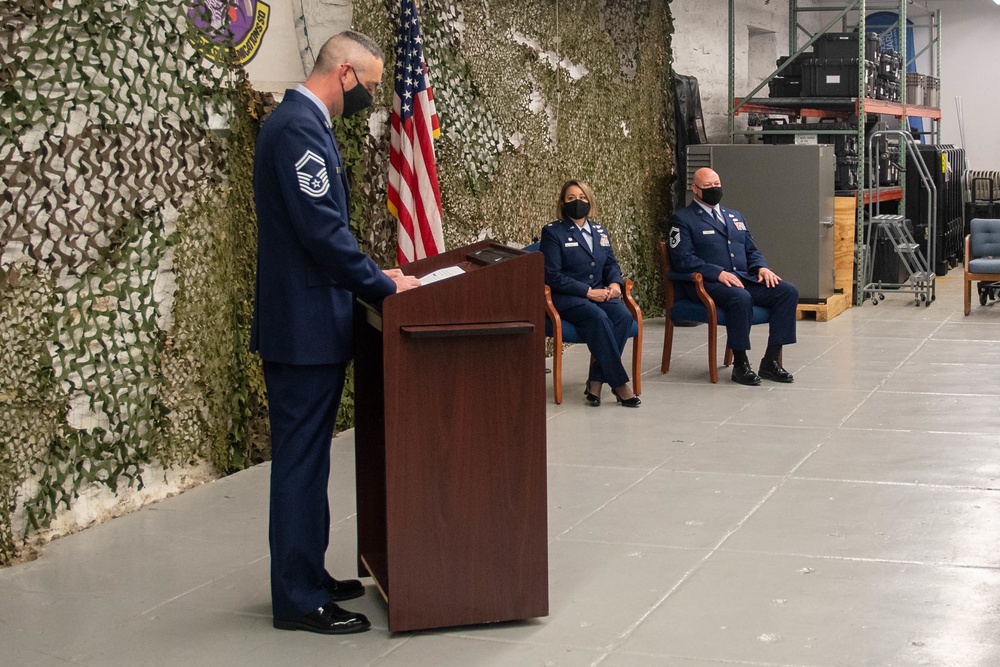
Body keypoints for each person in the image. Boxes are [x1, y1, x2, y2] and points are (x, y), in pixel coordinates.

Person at [251, 30, 421, 635]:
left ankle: (309, 576)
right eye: (370, 87)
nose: (371, 98)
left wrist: (377, 273)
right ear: (344, 73)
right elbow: (322, 234)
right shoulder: (298, 128)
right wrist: (381, 286)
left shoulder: (301, 122)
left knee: (309, 462)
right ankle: (298, 598)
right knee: (299, 463)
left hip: (307, 324)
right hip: (302, 330)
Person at [667, 167, 797, 386]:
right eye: (707, 186)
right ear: (695, 189)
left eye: (716, 184)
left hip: (742, 278)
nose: (714, 189)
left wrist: (762, 268)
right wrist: (717, 273)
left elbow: (751, 250)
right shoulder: (682, 219)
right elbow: (682, 259)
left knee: (787, 291)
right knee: (740, 298)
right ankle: (740, 364)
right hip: (706, 283)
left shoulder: (734, 216)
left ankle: (771, 361)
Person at [540, 180, 640, 407]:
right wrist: (587, 292)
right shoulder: (553, 232)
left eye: (582, 197)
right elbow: (552, 276)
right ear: (563, 204)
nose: (578, 202)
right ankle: (620, 384)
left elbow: (611, 265)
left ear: (590, 201)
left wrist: (615, 284)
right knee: (599, 317)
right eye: (571, 198)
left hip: (601, 292)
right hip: (567, 297)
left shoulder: (600, 231)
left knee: (624, 316)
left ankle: (595, 380)